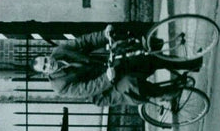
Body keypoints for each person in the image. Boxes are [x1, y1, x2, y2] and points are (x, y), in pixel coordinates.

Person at [32, 24, 202, 108]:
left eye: (46, 60)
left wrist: (104, 35)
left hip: (110, 66)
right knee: (129, 83)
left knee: (145, 57)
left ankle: (191, 63)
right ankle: (165, 94)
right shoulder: (59, 86)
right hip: (104, 91)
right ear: (44, 73)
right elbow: (87, 88)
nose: (49, 64)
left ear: (47, 56)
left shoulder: (60, 51)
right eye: (45, 67)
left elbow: (85, 41)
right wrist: (107, 78)